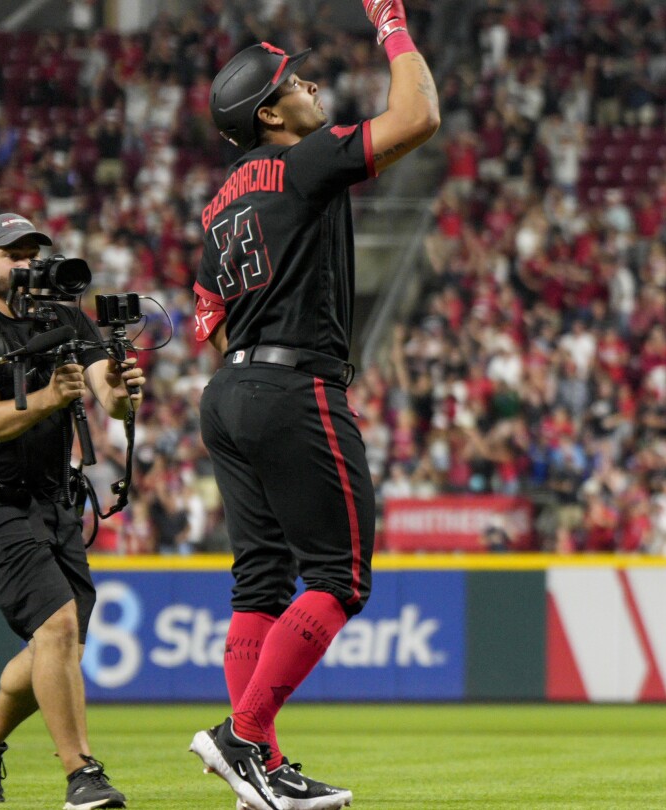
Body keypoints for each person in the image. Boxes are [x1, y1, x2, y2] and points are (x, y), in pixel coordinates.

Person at [185, 2, 439, 808]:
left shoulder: (220, 202)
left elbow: (204, 317)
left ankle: (255, 769)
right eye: (298, 79)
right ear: (270, 112)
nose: (313, 83)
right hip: (295, 384)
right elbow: (418, 116)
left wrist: (250, 374)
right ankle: (245, 735)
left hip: (228, 392)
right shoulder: (303, 160)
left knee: (260, 581)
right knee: (341, 574)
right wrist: (391, 23)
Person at [0, 213, 144, 809]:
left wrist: (125, 392)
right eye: (12, 254)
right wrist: (53, 394)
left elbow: (111, 397)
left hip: (54, 498)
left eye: (34, 253)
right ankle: (81, 773)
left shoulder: (68, 317)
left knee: (63, 644)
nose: (26, 264)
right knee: (55, 626)